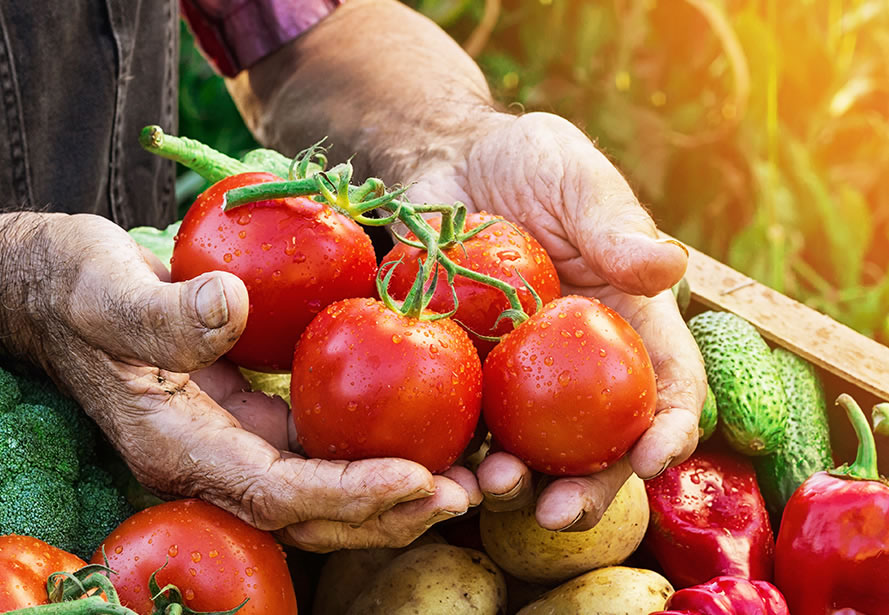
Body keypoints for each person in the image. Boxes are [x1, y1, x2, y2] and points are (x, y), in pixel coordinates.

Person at [0, 0, 706, 552]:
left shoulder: (403, 280)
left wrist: (451, 142)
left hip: (146, 349)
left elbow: (305, 26)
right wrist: (24, 275)